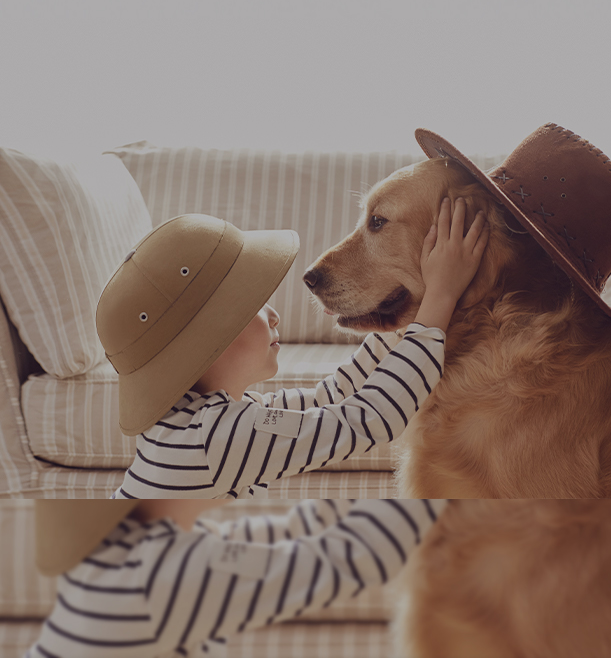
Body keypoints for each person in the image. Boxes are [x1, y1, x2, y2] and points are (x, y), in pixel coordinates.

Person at [95, 198, 488, 498]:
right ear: (206, 345)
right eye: (251, 306)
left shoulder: (200, 421)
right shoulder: (219, 438)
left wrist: (399, 317)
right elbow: (368, 418)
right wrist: (440, 296)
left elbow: (326, 400)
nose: (273, 315)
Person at [26, 497, 447, 657]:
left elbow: (267, 548)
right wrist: (437, 486)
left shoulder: (129, 550)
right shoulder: (162, 575)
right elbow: (350, 557)